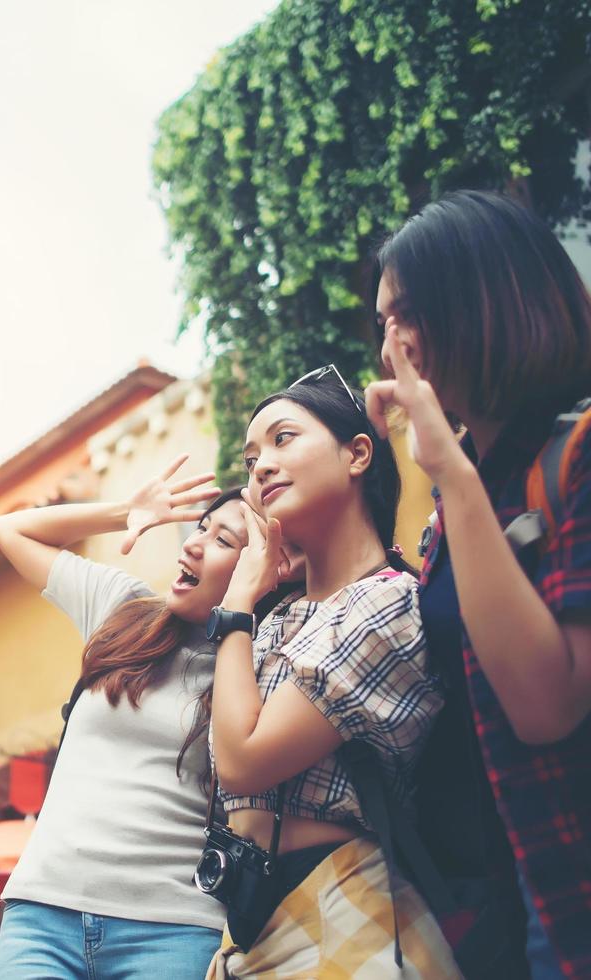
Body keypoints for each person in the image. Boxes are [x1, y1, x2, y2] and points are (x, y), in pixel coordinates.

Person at [367, 189, 591, 979]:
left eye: (408, 313)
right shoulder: (466, 497)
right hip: (547, 925)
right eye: (382, 324)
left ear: (488, 296)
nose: (393, 348)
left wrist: (445, 465)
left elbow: (546, 704)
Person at [205, 369, 458, 976]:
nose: (261, 466)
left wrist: (238, 599)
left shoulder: (390, 603)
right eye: (250, 458)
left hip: (349, 908)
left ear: (358, 453)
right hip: (253, 931)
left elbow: (242, 759)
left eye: (283, 438)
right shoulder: (281, 620)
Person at [0, 455, 240, 979]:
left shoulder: (259, 666)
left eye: (224, 541)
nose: (192, 543)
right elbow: (10, 530)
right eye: (201, 527)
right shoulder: (124, 610)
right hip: (43, 916)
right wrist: (125, 509)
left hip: (173, 932)